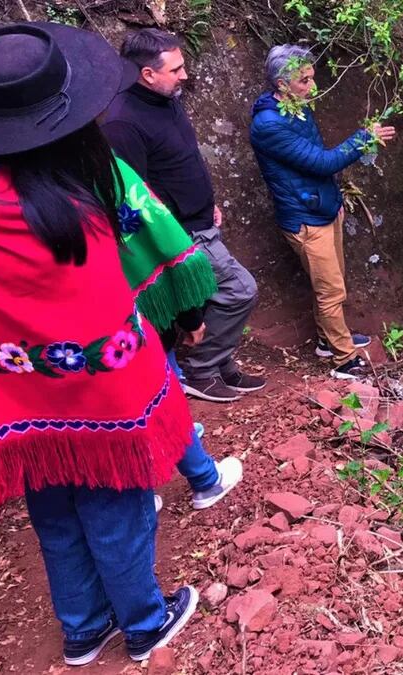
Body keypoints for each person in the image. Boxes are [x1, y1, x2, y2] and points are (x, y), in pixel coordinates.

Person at [0, 22, 198, 666]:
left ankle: (82, 628)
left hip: (18, 400)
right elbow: (112, 312)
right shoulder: (79, 210)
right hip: (104, 398)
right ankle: (143, 622)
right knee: (117, 508)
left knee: (53, 511)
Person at [101, 28, 264, 403]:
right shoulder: (122, 123)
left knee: (216, 293)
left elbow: (178, 161)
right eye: (176, 69)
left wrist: (207, 202)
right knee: (240, 291)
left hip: (201, 219)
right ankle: (201, 369)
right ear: (147, 74)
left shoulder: (166, 98)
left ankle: (218, 362)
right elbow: (135, 197)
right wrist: (175, 235)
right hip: (182, 233)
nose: (185, 75)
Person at [248, 44, 395, 380]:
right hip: (305, 218)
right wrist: (364, 139)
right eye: (304, 80)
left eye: (312, 78)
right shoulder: (269, 124)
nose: (312, 86)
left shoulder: (295, 108)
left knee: (332, 284)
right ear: (282, 85)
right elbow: (322, 161)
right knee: (330, 291)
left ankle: (327, 341)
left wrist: (334, 199)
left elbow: (313, 164)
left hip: (323, 208)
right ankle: (344, 360)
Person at [111, 155, 244, 511]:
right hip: (125, 317)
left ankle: (137, 490)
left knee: (105, 407)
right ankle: (204, 479)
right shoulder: (99, 167)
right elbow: (160, 240)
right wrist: (190, 319)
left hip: (55, 339)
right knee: (161, 388)